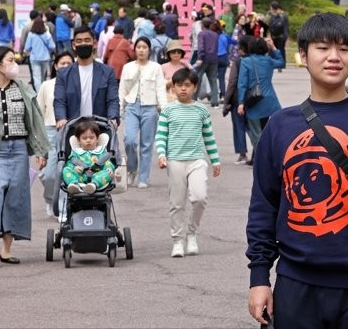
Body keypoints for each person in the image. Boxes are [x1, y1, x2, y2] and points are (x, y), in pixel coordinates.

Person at [245, 13, 348, 328]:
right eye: (323, 48)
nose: (335, 57)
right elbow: (263, 206)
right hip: (295, 282)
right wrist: (259, 277)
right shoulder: (280, 125)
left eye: (344, 49)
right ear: (303, 56)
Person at [0, 46, 50, 267]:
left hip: (18, 150)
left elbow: (35, 121)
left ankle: (6, 250)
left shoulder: (23, 88)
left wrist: (41, 150)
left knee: (15, 198)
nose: (15, 64)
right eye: (10, 60)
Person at [156, 68, 222, 258]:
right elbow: (161, 135)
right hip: (175, 161)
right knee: (177, 204)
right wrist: (162, 155)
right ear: (173, 88)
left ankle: (192, 233)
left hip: (197, 160)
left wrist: (215, 160)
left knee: (200, 198)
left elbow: (208, 136)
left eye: (187, 85)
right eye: (179, 85)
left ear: (194, 87)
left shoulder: (201, 109)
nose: (183, 89)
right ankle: (178, 240)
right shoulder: (168, 110)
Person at [118, 36, 168, 189]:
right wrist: (119, 109)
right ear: (134, 50)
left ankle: (143, 177)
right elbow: (122, 90)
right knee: (130, 140)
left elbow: (160, 89)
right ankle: (132, 169)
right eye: (138, 47)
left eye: (144, 47)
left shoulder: (156, 67)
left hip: (150, 107)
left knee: (146, 145)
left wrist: (165, 110)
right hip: (132, 106)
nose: (141, 50)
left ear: (149, 50)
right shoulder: (128, 67)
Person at [53, 26, 120, 129]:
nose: (83, 44)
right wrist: (61, 118)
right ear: (74, 45)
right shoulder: (63, 74)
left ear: (94, 43)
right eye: (79, 41)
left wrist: (113, 118)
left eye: (87, 40)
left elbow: (112, 100)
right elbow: (60, 100)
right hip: (73, 128)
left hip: (100, 127)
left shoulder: (107, 72)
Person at [37, 51, 73, 218]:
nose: (65, 66)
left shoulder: (76, 84)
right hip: (50, 130)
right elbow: (38, 112)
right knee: (49, 174)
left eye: (69, 63)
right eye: (62, 63)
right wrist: (39, 147)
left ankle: (63, 208)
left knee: (66, 172)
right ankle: (50, 198)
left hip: (72, 130)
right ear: (55, 66)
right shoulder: (47, 85)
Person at [237, 36, 283, 157]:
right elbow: (281, 62)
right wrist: (273, 47)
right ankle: (267, 155)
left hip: (254, 101)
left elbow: (242, 84)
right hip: (269, 100)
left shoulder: (246, 61)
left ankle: (262, 157)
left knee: (256, 132)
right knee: (266, 131)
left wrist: (241, 102)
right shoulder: (268, 60)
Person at [61, 117, 115, 194]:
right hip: (80, 176)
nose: (88, 140)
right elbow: (70, 163)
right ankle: (74, 184)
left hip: (97, 175)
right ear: (79, 140)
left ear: (97, 139)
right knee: (65, 170)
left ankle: (93, 185)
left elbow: (107, 162)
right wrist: (74, 168)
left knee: (107, 173)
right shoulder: (76, 153)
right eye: (84, 138)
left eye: (91, 138)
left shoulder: (101, 152)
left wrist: (109, 168)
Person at [224, 35, 251, 164]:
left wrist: (226, 101)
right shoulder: (255, 60)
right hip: (253, 98)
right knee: (252, 127)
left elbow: (232, 82)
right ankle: (258, 149)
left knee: (239, 126)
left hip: (237, 99)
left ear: (240, 48)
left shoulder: (238, 62)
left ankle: (242, 154)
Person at [195, 17, 221, 107]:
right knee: (213, 81)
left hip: (204, 59)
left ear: (202, 24)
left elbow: (201, 46)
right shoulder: (215, 34)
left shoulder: (201, 34)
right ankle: (215, 101)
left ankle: (193, 99)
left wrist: (200, 58)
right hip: (214, 59)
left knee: (197, 79)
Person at [23, 17, 55, 92]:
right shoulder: (47, 34)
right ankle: (43, 93)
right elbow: (52, 46)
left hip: (34, 58)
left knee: (36, 77)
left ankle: (39, 93)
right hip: (45, 58)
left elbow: (27, 47)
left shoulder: (31, 34)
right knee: (43, 77)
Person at [267, 1, 289, 69]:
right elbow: (269, 25)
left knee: (281, 50)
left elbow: (286, 27)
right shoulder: (270, 15)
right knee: (272, 50)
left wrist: (285, 37)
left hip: (280, 36)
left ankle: (282, 64)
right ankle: (272, 63)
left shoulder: (283, 15)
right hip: (273, 36)